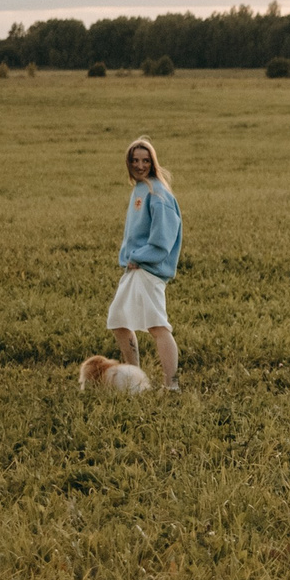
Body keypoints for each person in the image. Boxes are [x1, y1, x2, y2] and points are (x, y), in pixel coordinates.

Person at [110, 136, 184, 393]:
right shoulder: (141, 189)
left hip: (148, 271)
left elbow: (163, 240)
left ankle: (171, 386)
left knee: (157, 326)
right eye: (135, 160)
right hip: (136, 268)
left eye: (145, 160)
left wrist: (140, 257)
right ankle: (135, 379)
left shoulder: (158, 193)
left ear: (153, 163)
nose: (140, 165)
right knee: (119, 321)